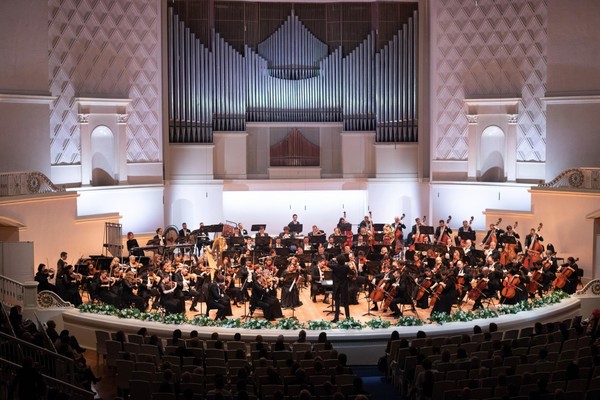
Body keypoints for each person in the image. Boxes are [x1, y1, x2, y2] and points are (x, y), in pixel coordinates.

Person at [329, 255, 351, 322]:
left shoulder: (335, 266)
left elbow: (328, 264)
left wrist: (333, 260)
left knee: (337, 303)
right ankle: (348, 318)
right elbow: (352, 273)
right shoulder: (346, 267)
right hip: (344, 286)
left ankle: (336, 318)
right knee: (346, 303)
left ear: (337, 261)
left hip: (337, 286)